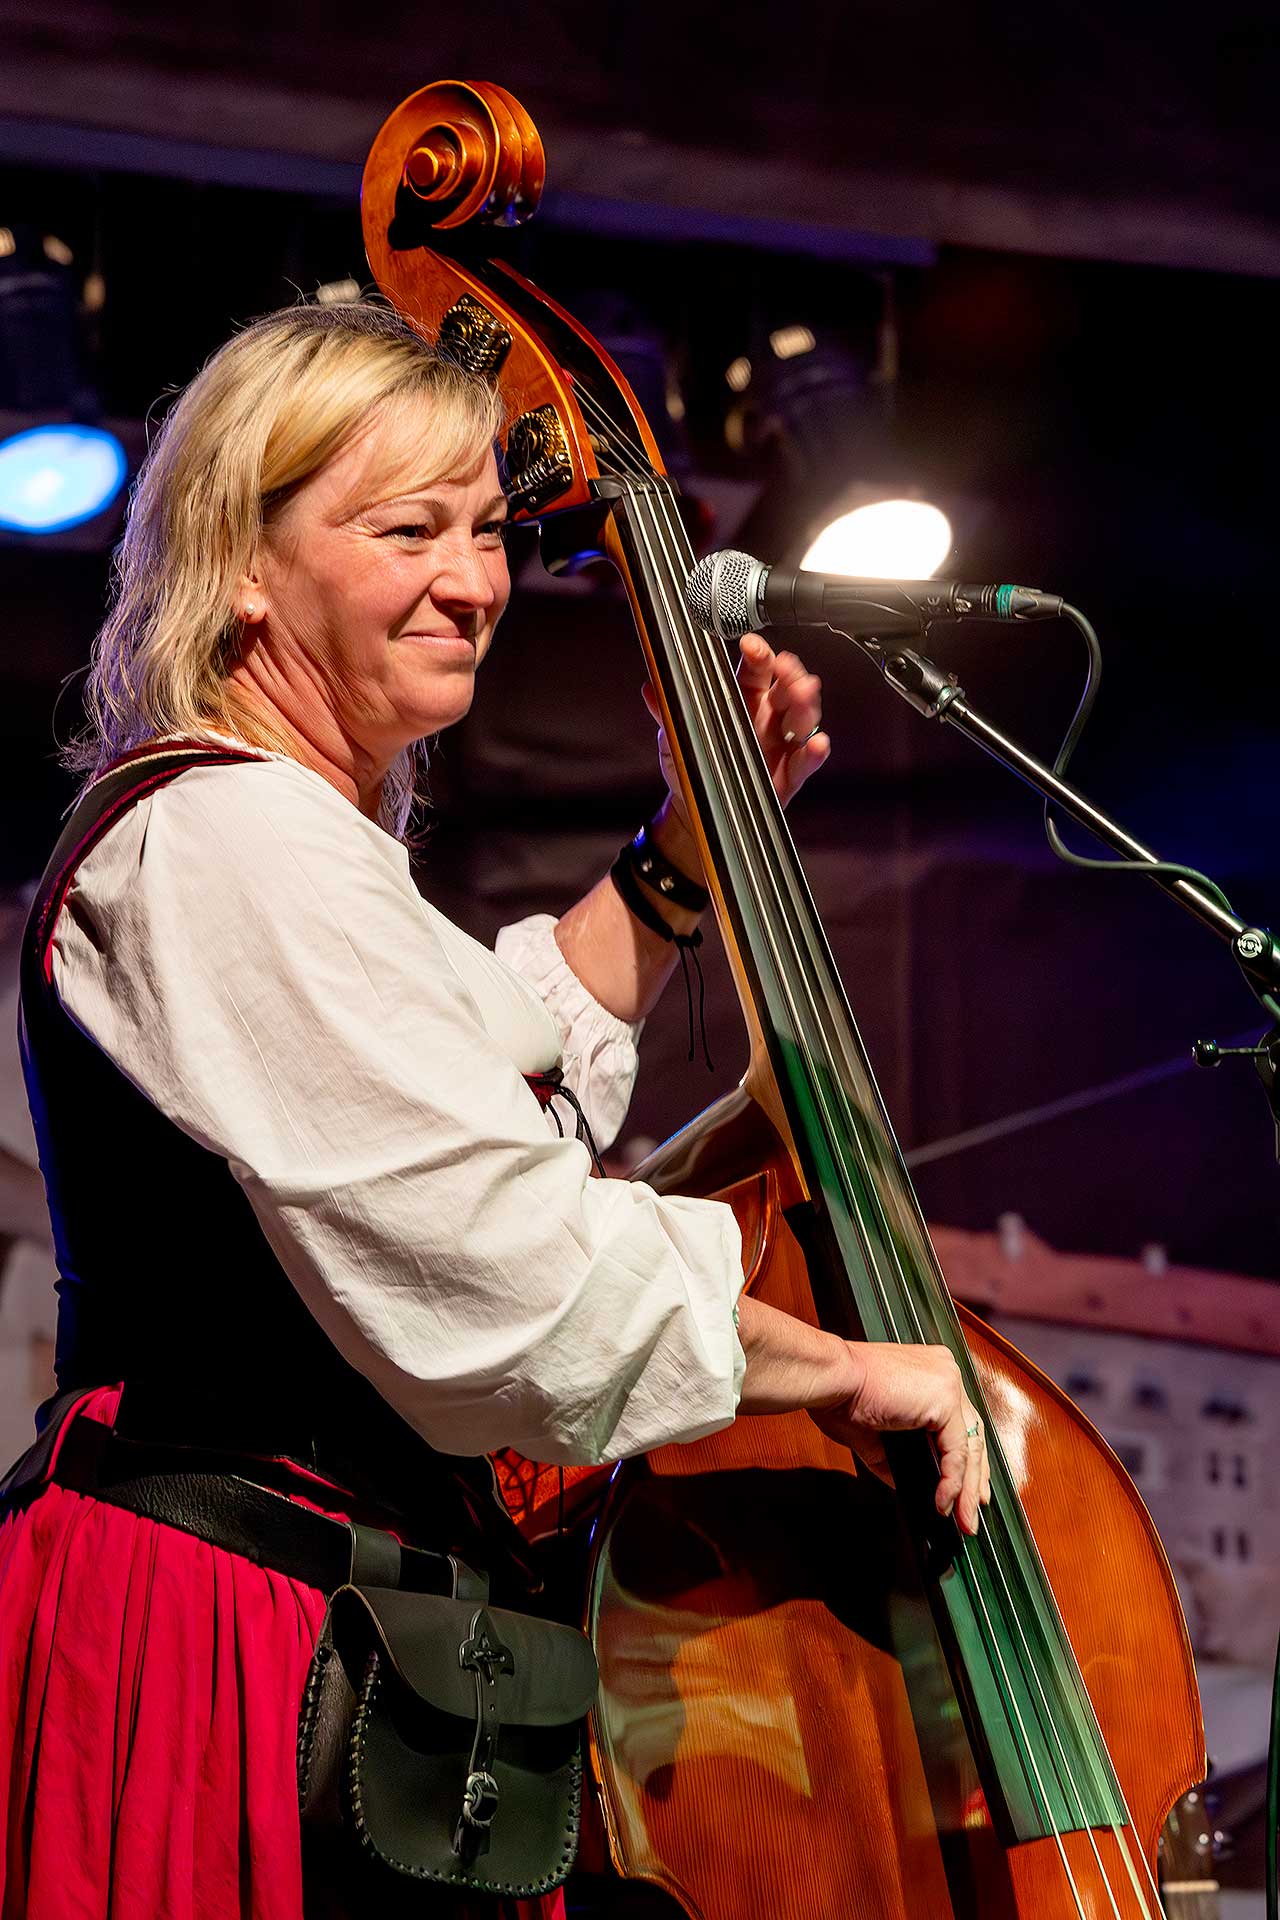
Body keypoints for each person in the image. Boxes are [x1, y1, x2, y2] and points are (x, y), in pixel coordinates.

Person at [0, 301, 989, 1920]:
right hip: (233, 1627)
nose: (476, 582)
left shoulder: (281, 839)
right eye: (409, 530)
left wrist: (684, 859)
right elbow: (506, 1255)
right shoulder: (228, 840)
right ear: (243, 563)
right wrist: (853, 1371)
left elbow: (495, 1062)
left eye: (486, 531)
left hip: (307, 1620)